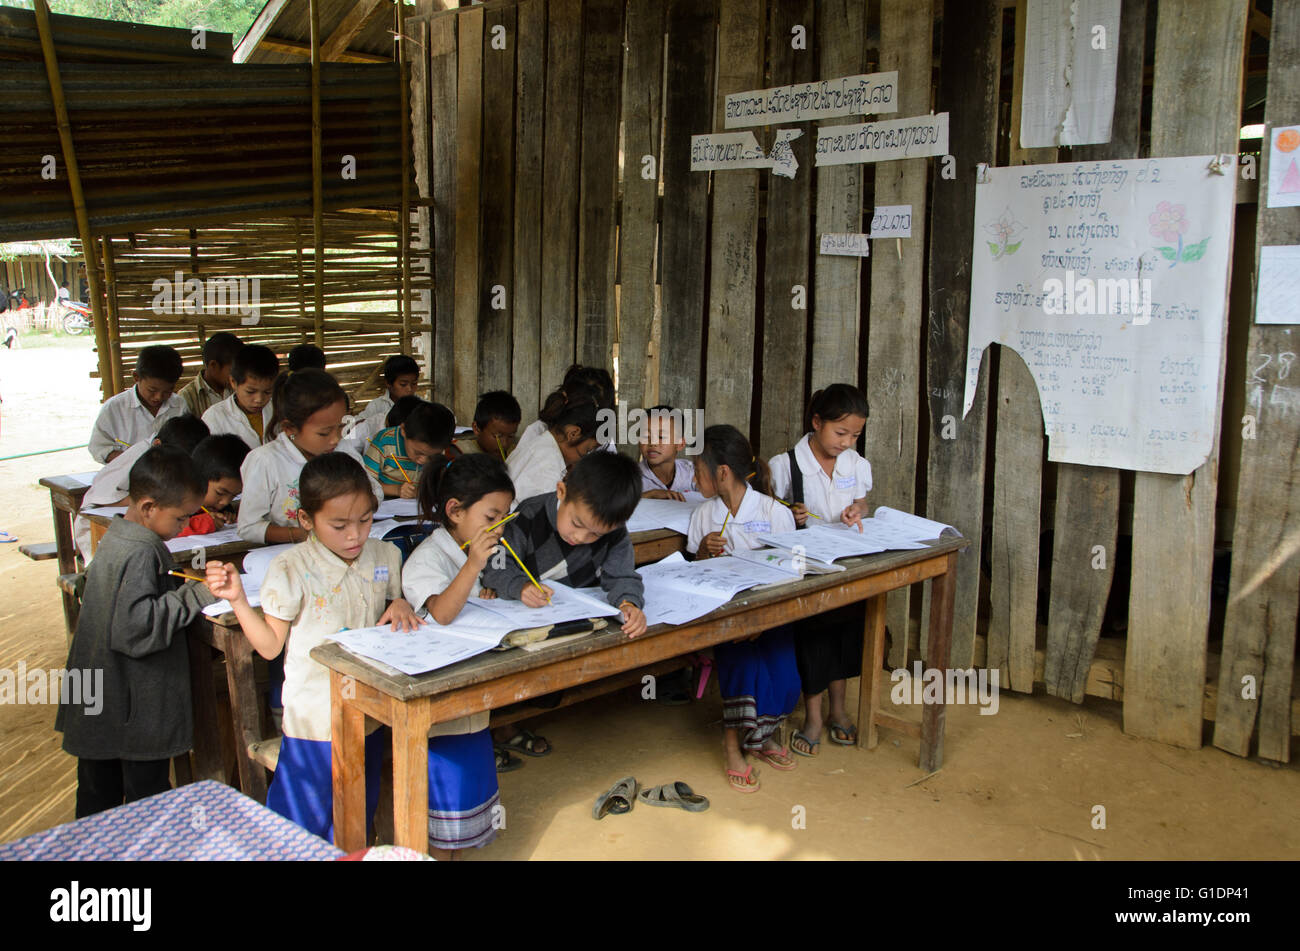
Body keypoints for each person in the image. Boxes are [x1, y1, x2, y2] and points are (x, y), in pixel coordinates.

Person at [207, 454, 500, 857]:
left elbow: (393, 599)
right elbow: (271, 646)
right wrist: (238, 600)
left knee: (355, 817)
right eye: (339, 525)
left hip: (368, 715)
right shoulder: (290, 568)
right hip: (316, 720)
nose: (354, 535)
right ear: (306, 520)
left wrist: (399, 604)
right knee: (302, 824)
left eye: (364, 520)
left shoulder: (383, 556)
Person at [55, 446, 219, 817]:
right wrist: (196, 593)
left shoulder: (116, 536)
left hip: (98, 692)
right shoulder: (143, 550)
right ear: (148, 508)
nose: (183, 527)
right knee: (147, 799)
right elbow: (134, 628)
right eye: (180, 519)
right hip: (131, 703)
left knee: (98, 794)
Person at [482, 451, 647, 762]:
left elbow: (622, 575)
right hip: (519, 621)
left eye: (596, 534)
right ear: (561, 492)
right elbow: (495, 566)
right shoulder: (528, 516)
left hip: (569, 621)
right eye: (577, 524)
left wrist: (628, 603)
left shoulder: (615, 532)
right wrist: (520, 587)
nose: (582, 537)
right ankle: (501, 727)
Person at [687, 424, 800, 793]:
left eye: (698, 470)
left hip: (771, 612)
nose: (693, 478)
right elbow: (691, 571)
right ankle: (732, 744)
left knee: (783, 671)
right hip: (727, 615)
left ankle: (764, 738)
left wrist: (763, 618)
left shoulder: (772, 512)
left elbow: (790, 571)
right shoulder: (704, 515)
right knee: (744, 664)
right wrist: (703, 552)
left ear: (722, 473)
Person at [401, 453, 518, 780]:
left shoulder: (483, 547)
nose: (501, 526)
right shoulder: (427, 560)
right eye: (492, 516)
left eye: (506, 516)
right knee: (453, 764)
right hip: (441, 680)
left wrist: (491, 588)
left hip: (479, 665)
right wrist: (472, 567)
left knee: (473, 746)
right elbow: (441, 612)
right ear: (454, 510)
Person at [769, 384, 872, 755]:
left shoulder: (855, 464)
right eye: (840, 432)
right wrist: (786, 513)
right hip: (808, 572)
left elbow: (861, 499)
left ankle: (839, 710)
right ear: (816, 422)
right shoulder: (785, 465)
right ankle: (813, 716)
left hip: (846, 565)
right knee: (814, 640)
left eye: (855, 435)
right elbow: (769, 510)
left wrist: (856, 511)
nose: (846, 442)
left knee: (845, 634)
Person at [236, 369, 377, 545]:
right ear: (290, 428)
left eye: (341, 427)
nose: (335, 438)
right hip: (290, 554)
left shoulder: (344, 450)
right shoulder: (265, 461)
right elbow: (248, 527)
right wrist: (302, 534)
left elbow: (375, 494)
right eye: (324, 433)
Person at [74, 415, 210, 562]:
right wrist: (157, 497)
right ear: (158, 444)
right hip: (94, 528)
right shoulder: (139, 457)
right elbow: (102, 495)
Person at [505, 382, 601, 505]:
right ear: (573, 434)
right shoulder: (547, 467)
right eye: (586, 450)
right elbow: (541, 518)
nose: (582, 458)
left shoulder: (542, 446)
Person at [88, 345, 188, 463]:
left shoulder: (179, 405)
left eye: (167, 391)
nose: (159, 397)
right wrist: (134, 460)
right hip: (127, 476)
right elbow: (99, 448)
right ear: (136, 377)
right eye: (152, 390)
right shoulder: (114, 408)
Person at [362, 401, 455, 499]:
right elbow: (365, 482)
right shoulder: (384, 442)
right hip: (386, 504)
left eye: (432, 456)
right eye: (418, 453)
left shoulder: (437, 446)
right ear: (403, 431)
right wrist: (396, 490)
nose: (423, 460)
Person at [201, 344, 279, 450]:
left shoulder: (279, 410)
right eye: (250, 392)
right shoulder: (215, 418)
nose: (259, 399)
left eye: (267, 392)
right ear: (233, 382)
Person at [177, 434, 250, 537]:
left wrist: (227, 513)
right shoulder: (172, 498)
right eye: (220, 493)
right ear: (196, 477)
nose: (225, 502)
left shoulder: (215, 504)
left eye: (233, 496)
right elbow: (161, 528)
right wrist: (203, 524)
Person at [178, 332, 243, 418]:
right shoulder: (187, 397)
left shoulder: (239, 389)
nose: (238, 374)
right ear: (213, 365)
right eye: (233, 370)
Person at [638, 404, 696, 499]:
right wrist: (649, 495)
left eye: (661, 437)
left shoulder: (691, 473)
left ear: (680, 444)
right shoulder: (631, 478)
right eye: (646, 436)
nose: (653, 442)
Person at [453, 390, 522, 460]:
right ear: (476, 428)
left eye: (511, 436)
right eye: (498, 436)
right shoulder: (459, 452)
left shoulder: (515, 453)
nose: (504, 444)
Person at [356, 355, 420, 425]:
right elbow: (356, 425)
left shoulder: (421, 406)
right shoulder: (377, 406)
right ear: (389, 383)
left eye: (414, 383)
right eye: (403, 384)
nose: (410, 389)